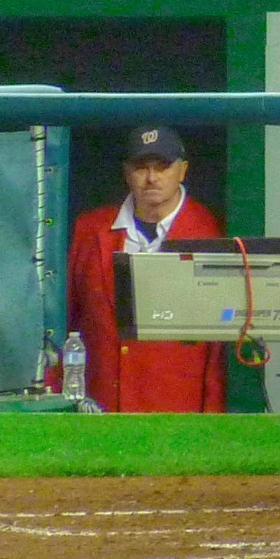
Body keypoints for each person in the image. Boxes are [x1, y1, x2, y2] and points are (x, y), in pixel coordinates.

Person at [68, 126, 229, 413]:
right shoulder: (90, 228)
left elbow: (218, 347)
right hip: (99, 410)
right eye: (141, 167)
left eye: (162, 167)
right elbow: (66, 320)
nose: (152, 178)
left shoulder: (211, 232)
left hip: (177, 410)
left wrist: (212, 420)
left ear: (183, 170)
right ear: (126, 172)